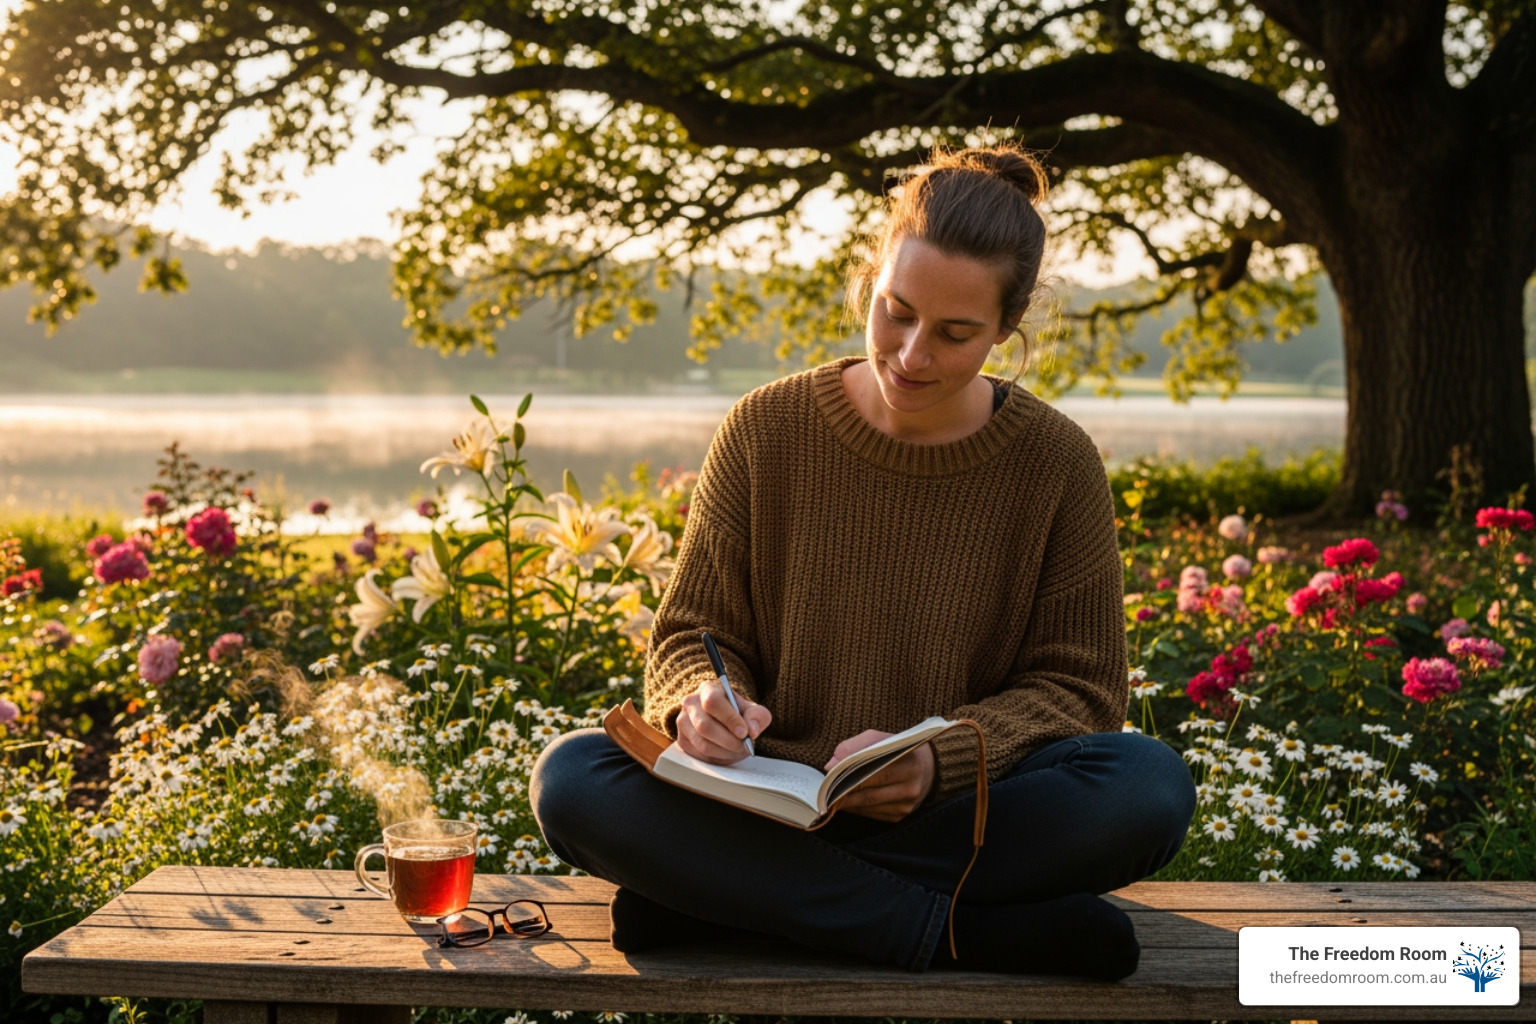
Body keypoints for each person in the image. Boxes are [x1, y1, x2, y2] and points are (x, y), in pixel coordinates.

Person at [532, 145, 1195, 978]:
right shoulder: (765, 429)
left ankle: (736, 900)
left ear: (1007, 332)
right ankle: (953, 934)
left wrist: (940, 758)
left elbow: (1082, 690)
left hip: (960, 818)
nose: (912, 355)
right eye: (896, 312)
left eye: (956, 334)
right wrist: (699, 703)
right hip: (762, 803)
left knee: (1148, 786)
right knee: (571, 778)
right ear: (868, 282)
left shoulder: (1056, 463)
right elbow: (693, 634)